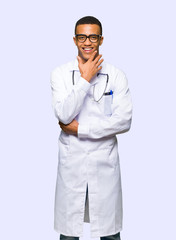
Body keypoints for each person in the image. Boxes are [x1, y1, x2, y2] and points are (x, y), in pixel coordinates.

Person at [50, 16, 132, 240]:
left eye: (93, 36)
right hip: (72, 164)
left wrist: (80, 129)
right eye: (82, 36)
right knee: (69, 234)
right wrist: (85, 79)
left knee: (110, 234)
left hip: (103, 164)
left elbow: (123, 120)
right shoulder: (60, 74)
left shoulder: (116, 75)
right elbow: (64, 114)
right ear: (75, 40)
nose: (88, 42)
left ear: (101, 39)